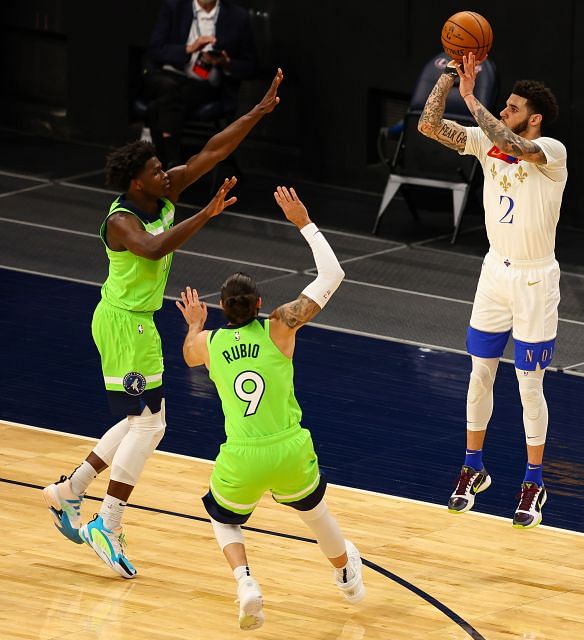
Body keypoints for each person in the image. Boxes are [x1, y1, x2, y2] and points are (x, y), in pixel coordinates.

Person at [42, 69, 284, 578]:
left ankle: (69, 492)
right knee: (151, 423)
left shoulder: (163, 192)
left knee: (140, 422)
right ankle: (107, 520)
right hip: (123, 323)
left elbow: (212, 152)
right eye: (156, 169)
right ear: (137, 181)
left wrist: (257, 113)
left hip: (135, 322)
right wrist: (206, 215)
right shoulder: (122, 220)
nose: (166, 174)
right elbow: (153, 247)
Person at [175, 186, 364, 630]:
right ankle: (347, 578)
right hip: (290, 449)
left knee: (223, 520)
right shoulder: (281, 326)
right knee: (317, 515)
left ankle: (245, 583)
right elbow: (332, 275)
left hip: (242, 455)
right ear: (260, 305)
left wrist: (195, 324)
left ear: (222, 309)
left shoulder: (209, 343)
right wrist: (304, 223)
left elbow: (186, 354)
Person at [418, 53, 567, 529]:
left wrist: (470, 96)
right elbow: (429, 125)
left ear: (534, 118)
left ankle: (534, 480)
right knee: (479, 373)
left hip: (534, 279)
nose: (504, 112)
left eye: (513, 107)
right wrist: (448, 77)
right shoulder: (485, 142)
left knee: (528, 384)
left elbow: (513, 145)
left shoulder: (552, 152)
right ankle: (473, 466)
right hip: (494, 274)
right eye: (502, 105)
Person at [142, 0, 257, 167]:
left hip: (202, 86)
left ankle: (162, 160)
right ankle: (174, 165)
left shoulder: (237, 16)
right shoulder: (174, 7)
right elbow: (154, 50)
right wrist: (188, 49)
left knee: (157, 106)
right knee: (168, 87)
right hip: (167, 76)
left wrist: (226, 63)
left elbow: (251, 66)